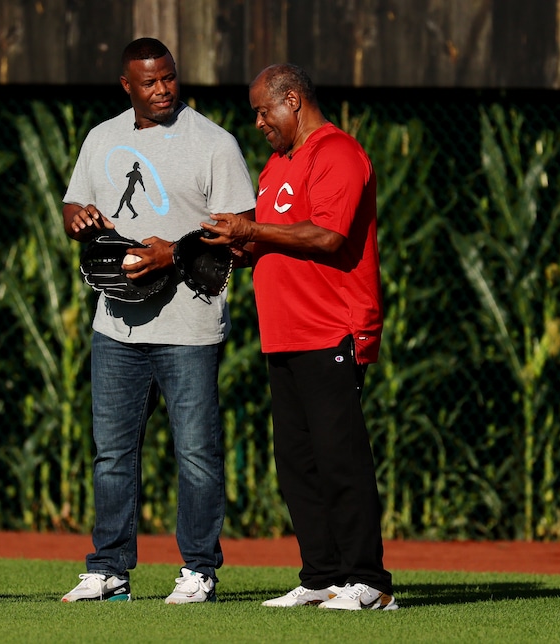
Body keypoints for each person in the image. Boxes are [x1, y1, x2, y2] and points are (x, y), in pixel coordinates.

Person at [59, 37, 256, 604]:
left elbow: (240, 236)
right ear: (128, 86)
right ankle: (110, 568)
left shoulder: (213, 143)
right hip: (115, 326)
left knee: (195, 453)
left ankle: (199, 569)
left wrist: (173, 252)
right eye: (149, 82)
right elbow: (74, 204)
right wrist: (78, 217)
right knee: (112, 454)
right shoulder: (102, 138)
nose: (162, 89)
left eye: (168, 77)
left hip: (187, 328)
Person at [203, 63, 397, 611]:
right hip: (284, 336)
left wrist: (253, 230)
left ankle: (370, 582)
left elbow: (329, 236)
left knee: (340, 459)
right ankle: (323, 575)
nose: (259, 122)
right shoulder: (275, 167)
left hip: (331, 328)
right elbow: (274, 240)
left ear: (294, 100)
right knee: (296, 460)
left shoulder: (336, 152)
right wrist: (236, 246)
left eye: (264, 110)